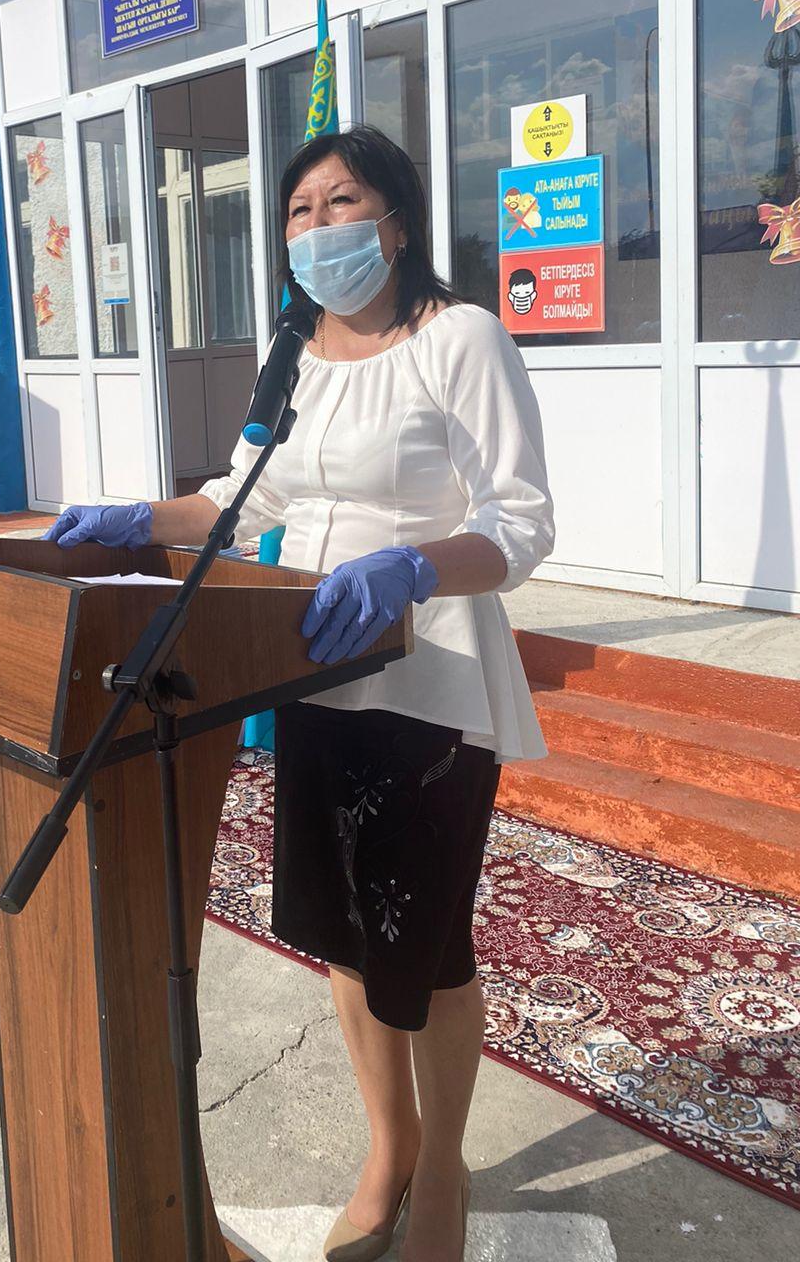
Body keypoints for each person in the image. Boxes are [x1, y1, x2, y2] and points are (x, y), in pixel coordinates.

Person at [44, 125, 554, 1262]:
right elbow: (240, 499)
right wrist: (135, 516)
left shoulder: (459, 337)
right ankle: (390, 1148)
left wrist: (414, 564)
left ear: (398, 220)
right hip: (310, 672)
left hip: (432, 678)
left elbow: (522, 521)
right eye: (299, 211)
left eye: (343, 201)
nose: (319, 227)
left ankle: (444, 1167)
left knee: (431, 945)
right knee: (344, 935)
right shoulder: (294, 354)